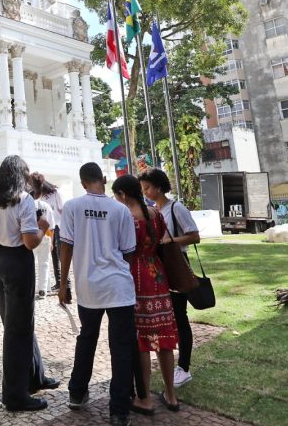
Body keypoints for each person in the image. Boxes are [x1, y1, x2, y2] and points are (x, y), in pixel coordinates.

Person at [0, 155, 59, 412]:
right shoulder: (22, 200)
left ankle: (35, 376)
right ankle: (14, 395)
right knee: (17, 329)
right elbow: (30, 242)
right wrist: (42, 225)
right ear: (20, 176)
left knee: (18, 324)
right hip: (16, 262)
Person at [58, 162, 136, 426]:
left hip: (88, 287)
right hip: (119, 287)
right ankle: (119, 411)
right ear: (104, 179)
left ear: (82, 183)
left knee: (87, 338)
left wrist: (62, 283)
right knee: (122, 348)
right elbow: (128, 251)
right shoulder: (120, 210)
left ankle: (77, 393)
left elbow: (65, 247)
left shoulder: (71, 207)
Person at [113, 173, 180, 415]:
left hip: (136, 279)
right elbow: (161, 241)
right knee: (164, 338)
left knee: (142, 341)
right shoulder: (155, 213)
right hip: (159, 277)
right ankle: (171, 395)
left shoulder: (127, 218)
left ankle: (145, 399)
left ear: (123, 195)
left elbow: (124, 250)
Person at [139, 168, 200, 389]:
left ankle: (184, 367)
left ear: (158, 186)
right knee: (170, 318)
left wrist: (170, 241)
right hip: (159, 268)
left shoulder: (175, 208)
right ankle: (173, 363)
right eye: (142, 188)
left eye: (147, 187)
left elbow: (195, 236)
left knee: (180, 317)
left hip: (176, 265)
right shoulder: (152, 210)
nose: (144, 192)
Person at [28, 174, 55, 299]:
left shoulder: (27, 205)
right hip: (45, 236)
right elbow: (51, 226)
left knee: (31, 263)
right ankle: (43, 290)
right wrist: (52, 242)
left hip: (31, 236)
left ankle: (31, 287)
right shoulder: (46, 206)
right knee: (44, 263)